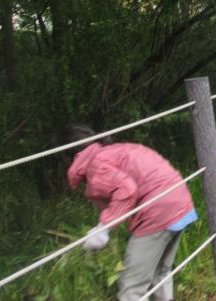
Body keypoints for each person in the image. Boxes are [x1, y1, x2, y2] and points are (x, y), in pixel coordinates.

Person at [67, 125, 197, 301]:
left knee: (131, 288)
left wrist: (103, 228)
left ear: (73, 157)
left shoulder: (95, 166)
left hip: (158, 212)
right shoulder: (114, 151)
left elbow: (127, 190)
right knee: (160, 271)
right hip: (179, 203)